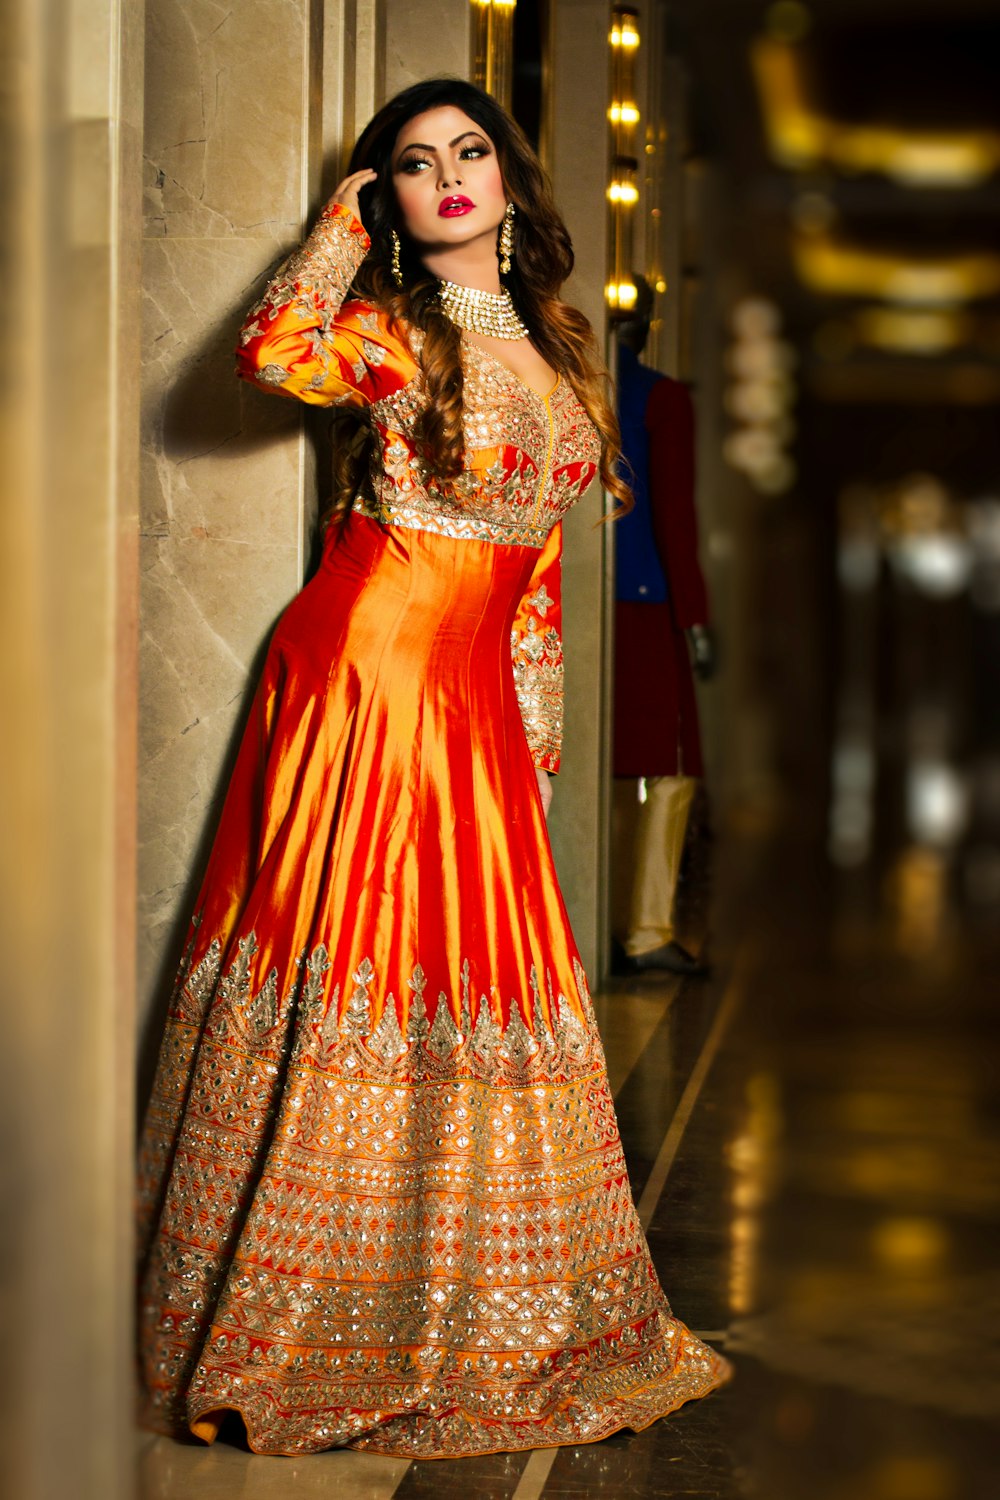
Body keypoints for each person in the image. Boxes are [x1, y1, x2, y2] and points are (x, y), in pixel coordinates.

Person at [136, 77, 731, 1460]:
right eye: (415, 164)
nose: (449, 176)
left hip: (469, 692)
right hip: (366, 664)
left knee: (485, 971)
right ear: (394, 200)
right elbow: (274, 356)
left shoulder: (566, 350)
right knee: (359, 952)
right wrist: (339, 228)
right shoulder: (395, 334)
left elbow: (533, 582)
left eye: (471, 154)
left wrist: (534, 743)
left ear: (514, 186)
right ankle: (296, 1315)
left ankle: (457, 1298)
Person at [611, 278, 715, 977]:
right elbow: (674, 517)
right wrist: (696, 618)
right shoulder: (660, 397)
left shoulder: (550, 381)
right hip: (646, 603)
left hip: (565, 596)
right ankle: (647, 929)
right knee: (672, 771)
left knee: (591, 769)